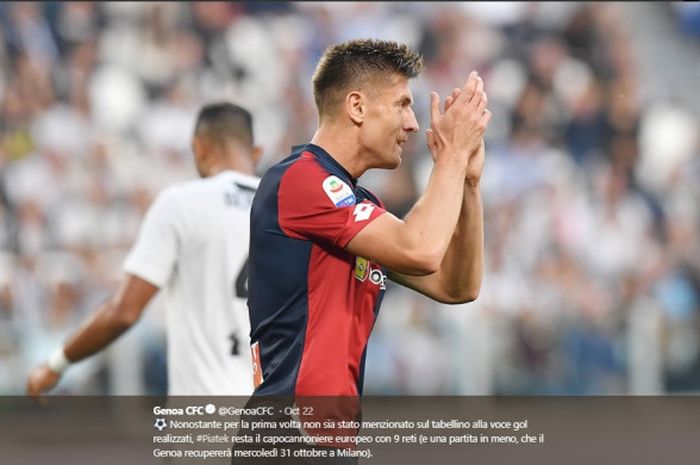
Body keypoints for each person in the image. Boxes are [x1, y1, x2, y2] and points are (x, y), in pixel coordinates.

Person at [247, 38, 490, 400]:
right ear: (357, 107)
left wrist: (468, 183)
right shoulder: (301, 180)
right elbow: (420, 250)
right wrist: (451, 156)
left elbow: (456, 287)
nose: (412, 124)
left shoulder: (358, 203)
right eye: (402, 105)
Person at [26, 102, 263, 397]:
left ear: (199, 148)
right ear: (256, 154)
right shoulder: (288, 208)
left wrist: (55, 365)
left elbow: (124, 311)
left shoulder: (182, 203)